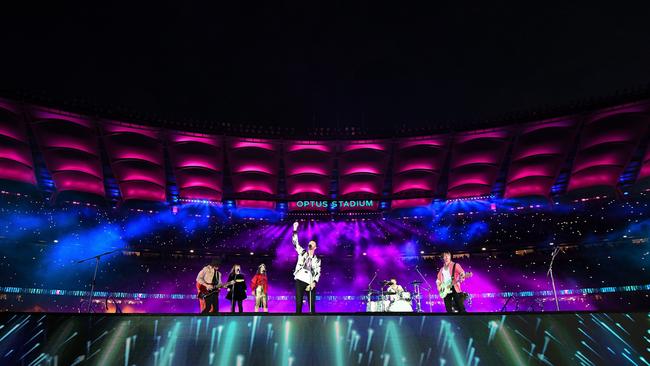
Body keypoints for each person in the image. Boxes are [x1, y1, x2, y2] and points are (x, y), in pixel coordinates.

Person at [292, 221, 321, 313]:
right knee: (299, 303)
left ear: (315, 247)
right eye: (309, 243)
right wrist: (295, 230)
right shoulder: (303, 253)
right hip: (300, 279)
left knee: (312, 305)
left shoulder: (317, 260)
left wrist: (314, 282)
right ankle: (298, 320)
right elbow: (295, 243)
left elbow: (318, 272)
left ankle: (312, 322)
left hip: (310, 281)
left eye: (312, 244)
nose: (310, 244)